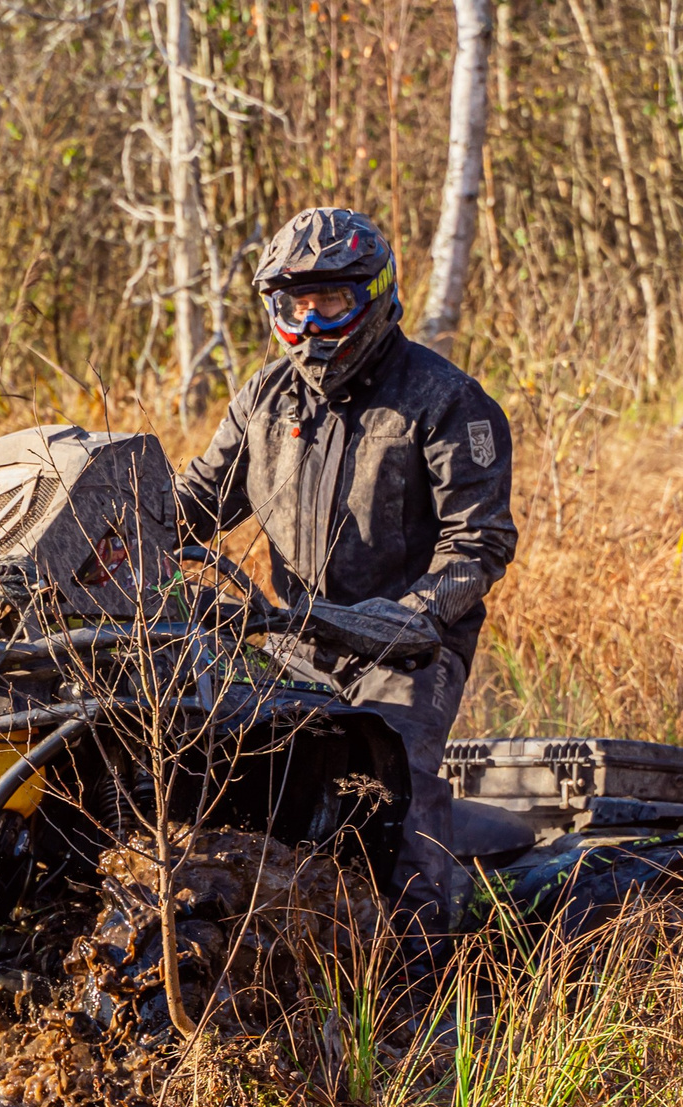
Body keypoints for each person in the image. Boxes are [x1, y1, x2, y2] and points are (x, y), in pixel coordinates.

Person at [173, 206, 517, 940]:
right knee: (221, 780)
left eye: (330, 300)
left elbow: (480, 543)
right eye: (293, 304)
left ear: (377, 293)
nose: (311, 321)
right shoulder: (263, 399)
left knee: (394, 798)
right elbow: (192, 504)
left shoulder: (446, 400)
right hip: (290, 643)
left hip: (410, 651)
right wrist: (97, 526)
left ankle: (421, 985)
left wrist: (417, 612)